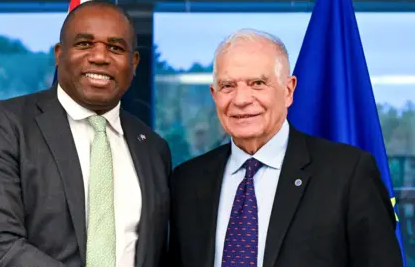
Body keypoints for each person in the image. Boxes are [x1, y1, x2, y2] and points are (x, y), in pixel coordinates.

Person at [0, 1, 172, 267]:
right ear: (59, 54)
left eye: (115, 47)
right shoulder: (1, 125)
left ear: (134, 62)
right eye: (84, 44)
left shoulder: (153, 148)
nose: (100, 57)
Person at [168, 28, 403, 267]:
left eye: (257, 83)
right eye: (228, 86)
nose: (241, 99)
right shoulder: (187, 181)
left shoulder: (348, 174)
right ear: (214, 94)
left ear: (288, 90)